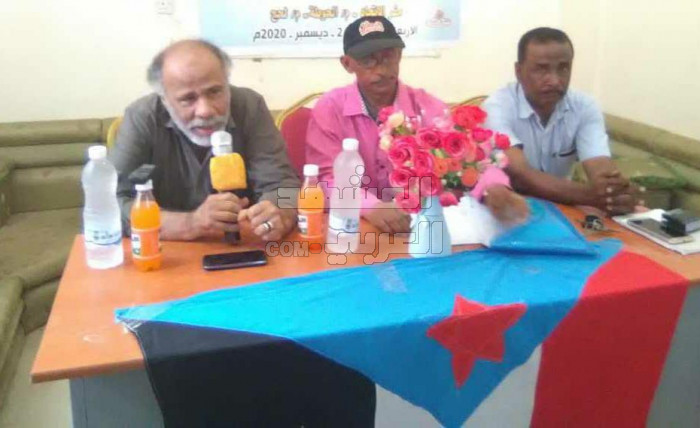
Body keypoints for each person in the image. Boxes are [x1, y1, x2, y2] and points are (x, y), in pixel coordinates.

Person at [306, 16, 529, 233]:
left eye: (388, 57)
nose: (382, 70)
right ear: (347, 64)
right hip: (354, 229)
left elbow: (471, 159)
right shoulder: (330, 109)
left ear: (400, 55)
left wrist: (495, 188)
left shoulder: (429, 108)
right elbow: (325, 179)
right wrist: (371, 206)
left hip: (421, 227)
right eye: (368, 61)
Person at [110, 39, 299, 242]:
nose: (205, 111)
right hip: (166, 250)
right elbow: (111, 203)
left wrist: (280, 212)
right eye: (188, 99)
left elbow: (286, 186)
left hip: (243, 245)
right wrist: (190, 223)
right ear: (164, 100)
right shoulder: (142, 117)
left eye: (215, 92)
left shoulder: (250, 106)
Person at [483, 27, 639, 215]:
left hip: (563, 207)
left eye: (563, 68)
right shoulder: (497, 107)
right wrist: (591, 196)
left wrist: (615, 193)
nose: (555, 80)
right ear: (518, 71)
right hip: (510, 208)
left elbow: (601, 169)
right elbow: (521, 175)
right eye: (541, 69)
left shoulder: (584, 107)